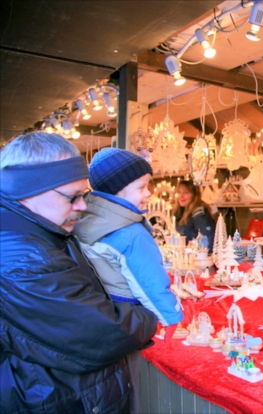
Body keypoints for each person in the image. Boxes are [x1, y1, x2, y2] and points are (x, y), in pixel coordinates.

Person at [0, 132, 157, 414]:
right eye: (73, 197)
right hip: (52, 397)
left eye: (83, 195)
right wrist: (150, 313)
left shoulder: (38, 233)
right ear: (28, 190)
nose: (82, 206)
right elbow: (102, 333)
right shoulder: (23, 256)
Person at [73, 148, 183, 413]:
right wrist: (170, 316)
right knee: (129, 380)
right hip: (129, 312)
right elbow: (150, 281)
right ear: (116, 191)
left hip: (101, 308)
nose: (149, 193)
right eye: (141, 187)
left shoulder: (87, 218)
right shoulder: (130, 232)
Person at [172, 179, 215, 250]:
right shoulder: (179, 212)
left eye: (186, 193)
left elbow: (207, 241)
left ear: (194, 195)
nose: (181, 196)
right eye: (179, 192)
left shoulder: (200, 215)